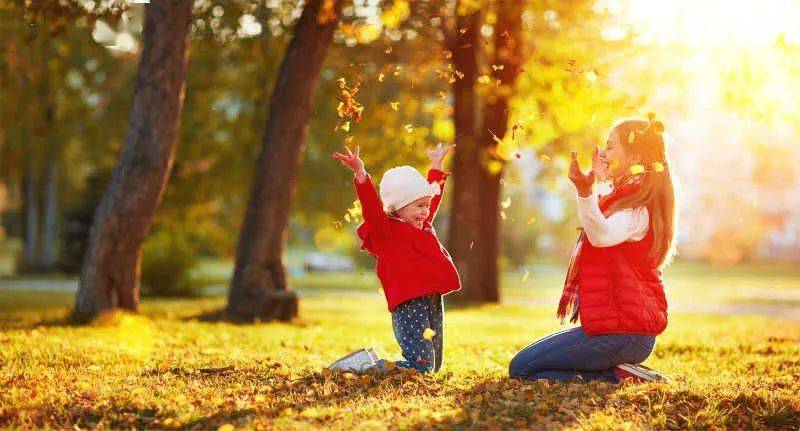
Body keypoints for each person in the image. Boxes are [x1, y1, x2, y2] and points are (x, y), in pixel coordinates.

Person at [509, 114, 676, 383]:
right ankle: (620, 373)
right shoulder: (623, 200)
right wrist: (594, 185)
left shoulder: (636, 208)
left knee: (521, 369)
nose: (604, 152)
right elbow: (599, 220)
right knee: (525, 365)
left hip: (626, 334)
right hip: (620, 331)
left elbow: (600, 235)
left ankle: (618, 377)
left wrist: (585, 192)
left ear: (633, 158)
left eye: (611, 146)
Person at [330, 143, 460, 373]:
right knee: (420, 366)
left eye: (427, 206)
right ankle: (363, 366)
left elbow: (433, 198)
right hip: (409, 303)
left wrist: (436, 166)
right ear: (398, 207)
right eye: (419, 206)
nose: (426, 212)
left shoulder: (421, 224)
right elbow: (371, 208)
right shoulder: (386, 232)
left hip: (431, 297)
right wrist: (360, 173)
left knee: (432, 366)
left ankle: (380, 366)